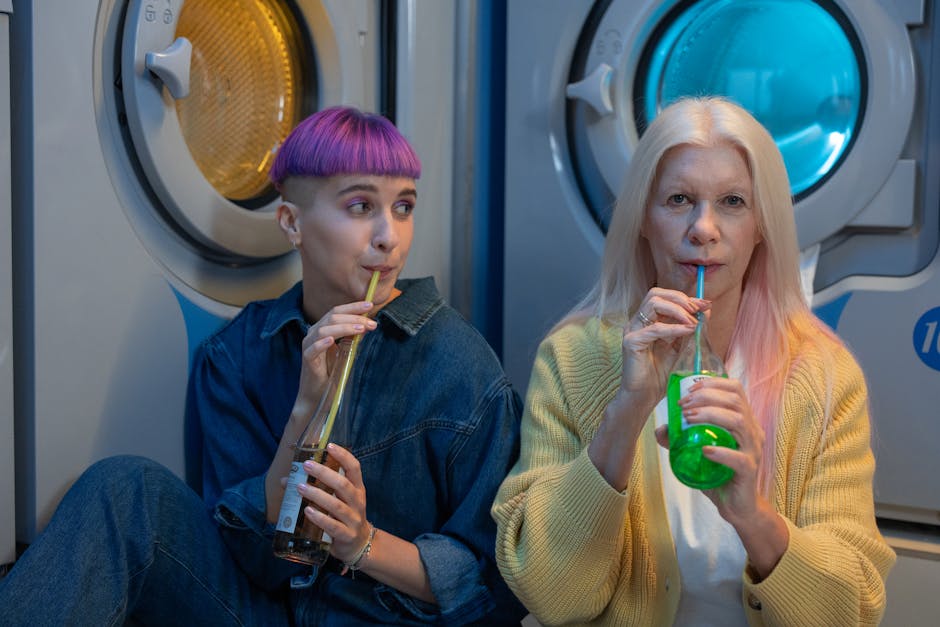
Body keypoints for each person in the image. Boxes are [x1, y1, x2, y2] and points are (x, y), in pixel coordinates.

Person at [0, 106, 527, 625]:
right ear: (292, 223)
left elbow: (496, 588)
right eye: (362, 206)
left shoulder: (459, 365)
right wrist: (304, 410)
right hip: (261, 611)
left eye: (404, 207)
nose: (389, 236)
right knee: (122, 488)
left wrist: (362, 542)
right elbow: (246, 559)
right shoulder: (237, 355)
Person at [491, 97, 895, 626]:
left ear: (762, 227)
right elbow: (551, 596)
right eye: (679, 199)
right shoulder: (573, 358)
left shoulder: (822, 377)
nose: (704, 228)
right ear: (642, 219)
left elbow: (851, 613)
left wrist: (754, 517)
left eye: (732, 202)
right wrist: (626, 411)